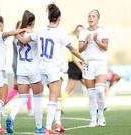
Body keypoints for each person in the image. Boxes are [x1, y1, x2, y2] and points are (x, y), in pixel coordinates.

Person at [16, 3, 87, 134]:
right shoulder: (60, 33)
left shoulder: (40, 30)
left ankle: (58, 124)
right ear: (59, 18)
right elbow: (73, 49)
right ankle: (48, 127)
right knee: (53, 98)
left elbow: (24, 40)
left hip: (42, 69)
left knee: (58, 96)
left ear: (49, 17)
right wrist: (84, 60)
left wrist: (15, 32)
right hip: (53, 68)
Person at [6, 10, 45, 134]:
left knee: (23, 98)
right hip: (34, 69)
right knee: (38, 98)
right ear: (33, 22)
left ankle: (11, 116)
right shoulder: (36, 33)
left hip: (21, 70)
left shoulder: (17, 34)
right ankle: (39, 127)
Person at [79, 9, 109, 127]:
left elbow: (106, 47)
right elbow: (80, 50)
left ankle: (101, 115)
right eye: (89, 16)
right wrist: (86, 42)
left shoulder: (103, 30)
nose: (90, 18)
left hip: (100, 63)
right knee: (91, 94)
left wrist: (96, 41)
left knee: (100, 91)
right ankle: (93, 118)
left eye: (93, 16)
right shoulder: (83, 32)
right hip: (88, 64)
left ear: (97, 19)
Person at [5, 21, 33, 117]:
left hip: (18, 65)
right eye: (20, 27)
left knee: (20, 89)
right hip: (18, 65)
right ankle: (1, 105)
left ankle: (1, 106)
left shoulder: (18, 38)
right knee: (23, 88)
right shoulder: (17, 39)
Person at [61, 25, 85, 111]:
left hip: (81, 65)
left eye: (82, 31)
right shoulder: (75, 41)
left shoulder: (84, 42)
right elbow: (74, 57)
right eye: (78, 31)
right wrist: (81, 68)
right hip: (75, 66)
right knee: (69, 89)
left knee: (90, 87)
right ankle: (59, 106)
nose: (80, 33)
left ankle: (100, 105)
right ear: (76, 32)